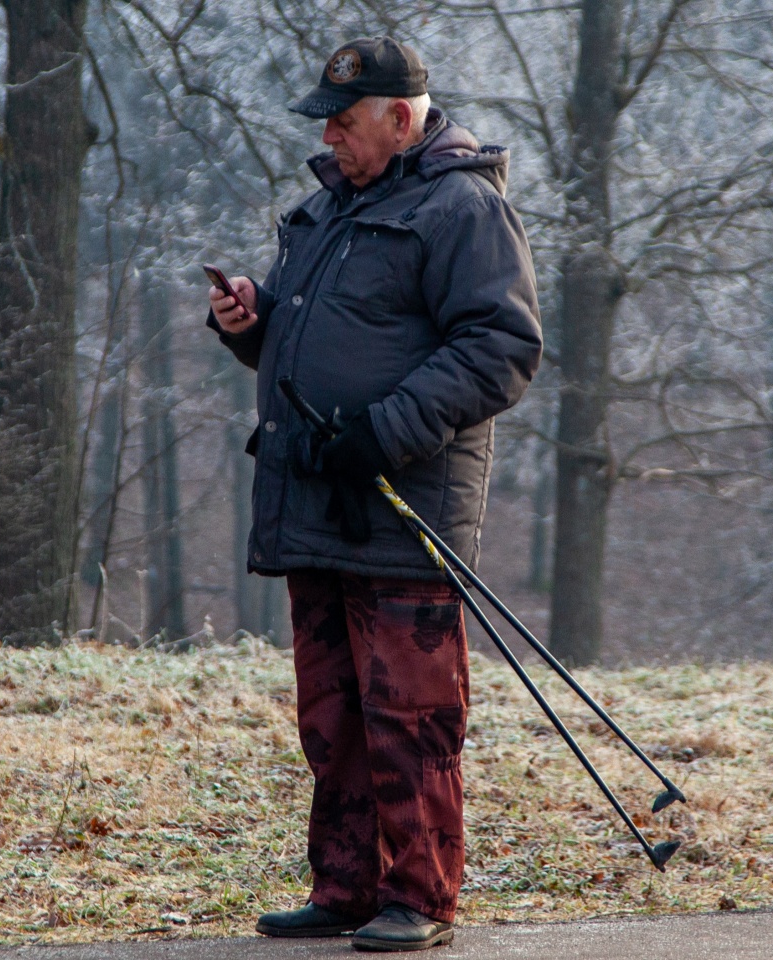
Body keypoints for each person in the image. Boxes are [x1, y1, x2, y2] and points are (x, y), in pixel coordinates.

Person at [208, 37, 542, 952]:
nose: (328, 133)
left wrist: (385, 433)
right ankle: (345, 890)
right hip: (316, 504)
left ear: (401, 118)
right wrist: (253, 324)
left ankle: (419, 898)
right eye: (326, 117)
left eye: (343, 119)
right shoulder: (325, 208)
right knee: (334, 715)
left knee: (411, 715)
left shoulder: (464, 208)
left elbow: (500, 349)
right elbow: (314, 341)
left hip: (405, 511)